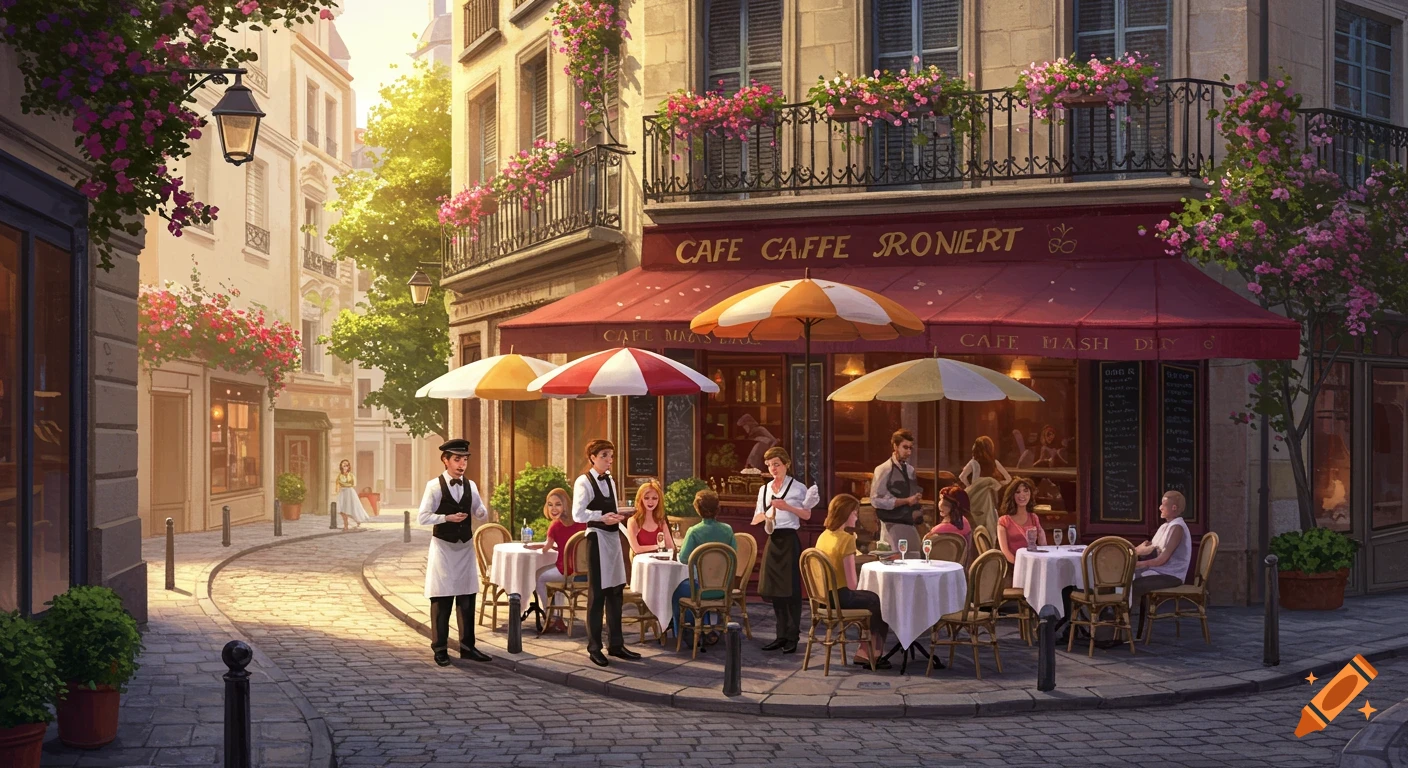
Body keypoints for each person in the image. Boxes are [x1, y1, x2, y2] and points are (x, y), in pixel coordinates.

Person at [417, 439, 493, 667]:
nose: (462, 464)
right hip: (443, 547)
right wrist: (446, 518)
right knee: (442, 598)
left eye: (465, 460)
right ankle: (440, 648)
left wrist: (480, 510)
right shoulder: (433, 486)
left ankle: (468, 647)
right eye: (457, 459)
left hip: (465, 547)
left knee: (467, 596)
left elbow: (480, 510)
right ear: (446, 460)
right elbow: (422, 517)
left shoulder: (470, 486)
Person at [571, 439, 640, 667]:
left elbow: (609, 508)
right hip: (597, 539)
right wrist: (603, 516)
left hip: (612, 539)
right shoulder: (584, 481)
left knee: (616, 591)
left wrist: (620, 512)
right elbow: (578, 514)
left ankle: (616, 644)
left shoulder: (609, 479)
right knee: (598, 593)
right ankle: (594, 647)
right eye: (604, 455)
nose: (609, 460)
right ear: (592, 457)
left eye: (611, 455)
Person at [815, 494, 891, 669]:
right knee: (877, 600)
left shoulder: (824, 536)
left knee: (870, 598)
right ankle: (871, 653)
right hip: (840, 598)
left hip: (823, 598)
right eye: (855, 513)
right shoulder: (847, 539)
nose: (856, 517)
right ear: (846, 513)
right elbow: (851, 584)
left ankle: (865, 650)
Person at [752, 446, 812, 654]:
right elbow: (756, 518)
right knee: (775, 590)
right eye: (769, 465)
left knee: (791, 590)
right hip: (773, 539)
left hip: (789, 539)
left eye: (776, 464)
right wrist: (769, 512)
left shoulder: (798, 488)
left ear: (786, 464)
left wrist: (787, 507)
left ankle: (793, 636)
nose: (773, 469)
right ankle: (780, 635)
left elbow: (806, 515)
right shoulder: (764, 490)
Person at [671, 489, 736, 650]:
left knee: (677, 590)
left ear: (697, 509)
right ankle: (706, 627)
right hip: (723, 588)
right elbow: (733, 555)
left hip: (701, 590)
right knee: (692, 585)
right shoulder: (727, 529)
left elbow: (684, 558)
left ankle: (684, 632)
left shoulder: (694, 531)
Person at [1131, 490, 1193, 637]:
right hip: (1160, 571)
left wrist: (1137, 565)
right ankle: (1116, 627)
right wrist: (1134, 550)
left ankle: (1120, 629)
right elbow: (1149, 547)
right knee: (1123, 580)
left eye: (1163, 504)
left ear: (1174, 508)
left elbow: (1161, 560)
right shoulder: (1165, 526)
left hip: (1171, 575)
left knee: (1130, 585)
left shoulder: (1177, 528)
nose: (1159, 507)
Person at [528, 488, 581, 633]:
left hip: (566, 570)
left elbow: (546, 549)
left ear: (565, 505)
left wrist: (538, 547)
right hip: (583, 571)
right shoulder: (581, 522)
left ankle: (550, 614)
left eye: (558, 504)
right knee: (554, 582)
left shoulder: (555, 525)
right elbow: (572, 544)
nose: (553, 508)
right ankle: (558, 618)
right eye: (550, 504)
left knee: (539, 577)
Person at [870, 429, 923, 555]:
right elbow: (875, 500)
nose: (908, 452)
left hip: (909, 523)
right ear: (895, 446)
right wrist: (905, 501)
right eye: (905, 447)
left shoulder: (910, 470)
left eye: (910, 448)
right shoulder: (883, 469)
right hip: (891, 525)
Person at [995, 477, 1046, 564]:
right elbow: (1005, 551)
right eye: (1018, 492)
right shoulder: (1004, 521)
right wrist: (1020, 565)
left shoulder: (1034, 518)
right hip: (1013, 565)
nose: (1022, 495)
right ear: (1012, 495)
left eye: (1026, 491)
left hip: (1033, 562)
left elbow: (1043, 546)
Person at [626, 480, 675, 555]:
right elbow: (636, 549)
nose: (650, 502)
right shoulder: (633, 521)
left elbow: (671, 547)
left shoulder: (661, 521)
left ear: (659, 500)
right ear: (640, 499)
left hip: (660, 562)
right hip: (642, 564)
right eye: (646, 498)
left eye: (654, 498)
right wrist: (658, 547)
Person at [334, 460, 372, 532]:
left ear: (348, 467)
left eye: (347, 465)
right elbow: (337, 484)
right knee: (342, 509)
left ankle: (356, 520)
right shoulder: (339, 476)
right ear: (341, 466)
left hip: (350, 492)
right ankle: (346, 525)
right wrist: (338, 490)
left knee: (352, 507)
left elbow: (353, 484)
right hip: (343, 492)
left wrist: (344, 484)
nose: (345, 467)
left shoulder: (351, 475)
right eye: (344, 465)